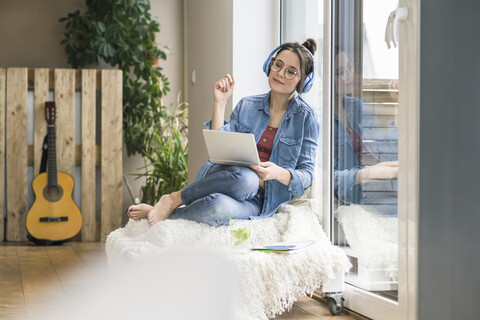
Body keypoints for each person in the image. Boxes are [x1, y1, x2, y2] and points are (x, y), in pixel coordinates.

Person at [128, 39, 320, 226]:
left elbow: (306, 175)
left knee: (216, 207)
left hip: (263, 200)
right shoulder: (247, 105)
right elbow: (219, 149)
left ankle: (168, 214)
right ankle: (174, 198)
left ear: (302, 82)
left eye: (291, 72)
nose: (280, 73)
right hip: (231, 178)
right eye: (277, 65)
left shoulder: (307, 118)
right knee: (247, 179)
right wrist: (220, 103)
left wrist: (279, 173)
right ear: (269, 65)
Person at [334, 47, 398, 206]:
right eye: (341, 72)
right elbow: (322, 179)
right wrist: (366, 174)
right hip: (349, 200)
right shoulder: (318, 117)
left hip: (377, 190)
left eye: (350, 67)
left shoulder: (356, 107)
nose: (350, 75)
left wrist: (398, 105)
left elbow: (389, 154)